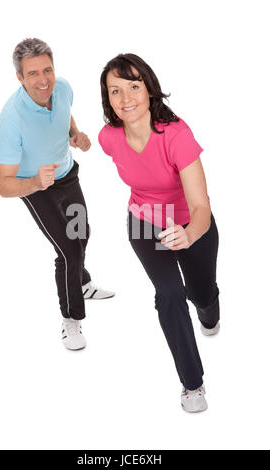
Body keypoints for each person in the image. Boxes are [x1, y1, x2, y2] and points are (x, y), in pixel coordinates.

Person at [98, 53, 220, 413]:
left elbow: (201, 207)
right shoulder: (109, 138)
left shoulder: (177, 135)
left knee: (201, 296)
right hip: (144, 221)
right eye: (115, 91)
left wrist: (189, 233)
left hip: (189, 222)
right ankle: (192, 384)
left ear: (149, 89)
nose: (126, 98)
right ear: (108, 99)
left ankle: (209, 309)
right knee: (169, 293)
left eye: (133, 86)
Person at [0, 38, 114, 351]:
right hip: (35, 188)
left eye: (47, 69)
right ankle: (71, 320)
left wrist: (74, 135)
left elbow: (65, 113)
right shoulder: (11, 120)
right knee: (68, 251)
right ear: (20, 78)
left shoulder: (62, 88)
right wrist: (35, 181)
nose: (43, 79)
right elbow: (3, 184)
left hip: (67, 174)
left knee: (82, 233)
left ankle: (82, 282)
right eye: (32, 74)